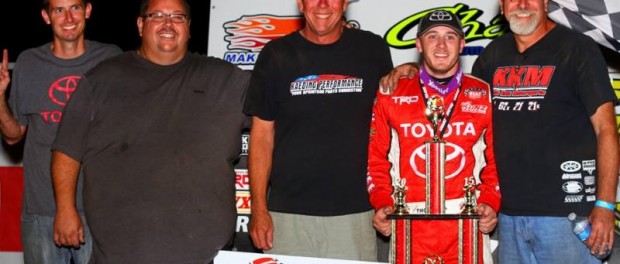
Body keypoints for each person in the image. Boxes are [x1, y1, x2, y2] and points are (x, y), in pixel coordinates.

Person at [382, 0, 620, 263]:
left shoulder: (577, 48)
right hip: (507, 217)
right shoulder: (493, 55)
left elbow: (607, 130)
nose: (521, 4)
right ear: (502, 6)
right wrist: (415, 72)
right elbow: (456, 97)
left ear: (544, 2)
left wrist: (605, 205)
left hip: (566, 216)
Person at [51, 0, 250, 262]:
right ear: (140, 24)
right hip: (121, 252)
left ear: (189, 28)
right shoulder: (102, 80)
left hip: (205, 254)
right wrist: (65, 209)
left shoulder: (226, 79)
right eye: (158, 15)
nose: (168, 23)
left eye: (178, 17)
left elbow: (278, 113)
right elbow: (66, 150)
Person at [243, 0, 393, 260]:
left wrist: (411, 70)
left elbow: (398, 106)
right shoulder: (276, 54)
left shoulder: (372, 49)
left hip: (355, 214)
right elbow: (261, 137)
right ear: (300, 4)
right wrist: (258, 209)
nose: (323, 4)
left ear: (345, 3)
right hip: (286, 215)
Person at [367, 10, 500, 263]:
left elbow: (496, 161)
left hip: (467, 223)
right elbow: (376, 160)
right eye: (432, 37)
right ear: (418, 44)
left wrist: (490, 202)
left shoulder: (483, 93)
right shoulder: (392, 91)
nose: (441, 45)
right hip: (409, 222)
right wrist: (383, 203)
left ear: (462, 44)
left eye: (450, 37)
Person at [0, 0, 121, 263]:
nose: (68, 17)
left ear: (88, 10)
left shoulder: (111, 59)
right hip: (41, 210)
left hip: (98, 209)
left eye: (75, 8)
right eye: (58, 10)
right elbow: (13, 134)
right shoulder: (30, 62)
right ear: (46, 16)